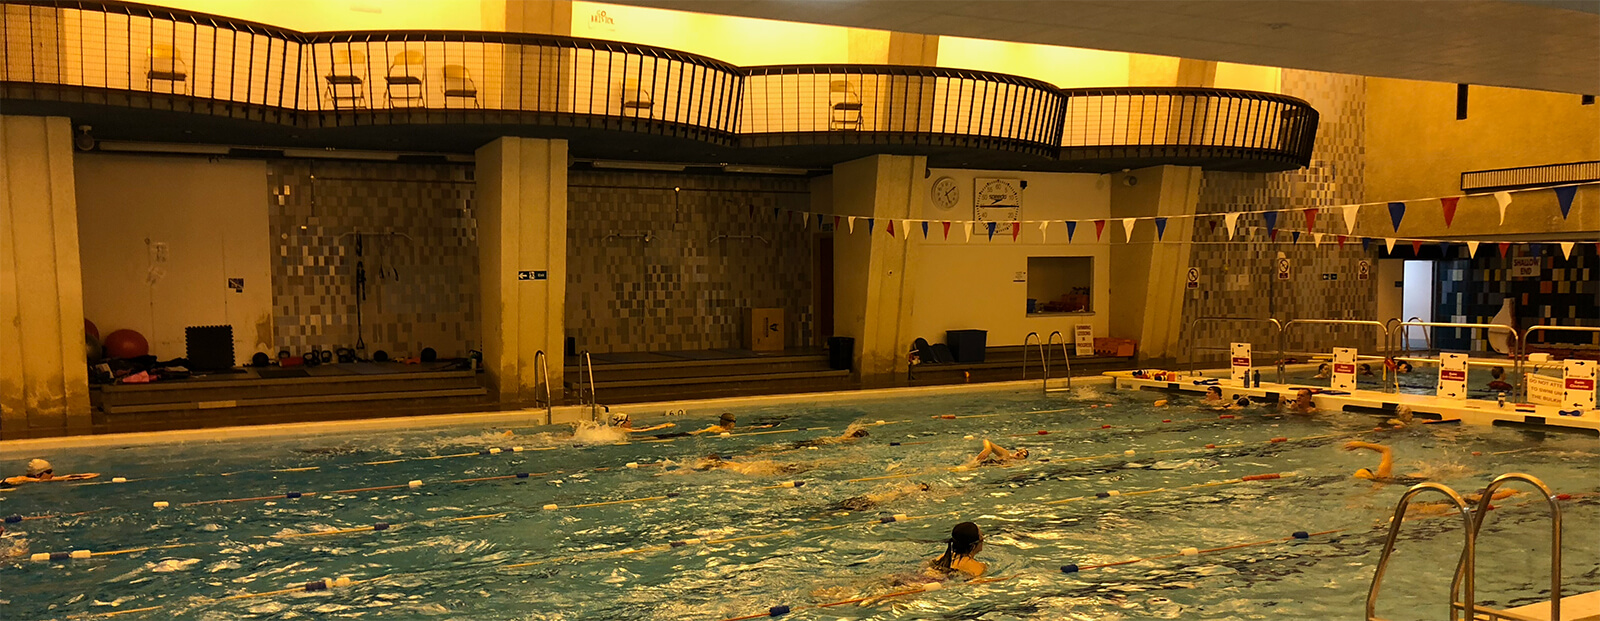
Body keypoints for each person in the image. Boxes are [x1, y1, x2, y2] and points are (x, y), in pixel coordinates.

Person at [1, 459, 98, 487]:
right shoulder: (25, 479)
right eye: (49, 472)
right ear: (38, 474)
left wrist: (90, 476)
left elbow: (66, 477)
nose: (53, 474)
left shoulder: (39, 480)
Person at [957, 439, 1028, 470]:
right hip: (977, 465)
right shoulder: (1005, 454)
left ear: (1024, 459)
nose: (1020, 453)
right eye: (1020, 451)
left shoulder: (1020, 465)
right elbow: (986, 441)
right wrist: (988, 449)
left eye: (1023, 454)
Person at [609, 412, 674, 434]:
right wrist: (663, 426)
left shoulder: (615, 429)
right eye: (628, 421)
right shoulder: (622, 430)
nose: (631, 422)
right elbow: (641, 431)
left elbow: (638, 429)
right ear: (622, 423)